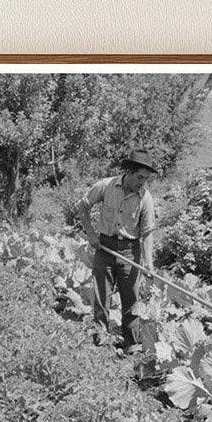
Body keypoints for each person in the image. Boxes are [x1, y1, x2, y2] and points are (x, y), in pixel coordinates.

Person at [78, 148, 158, 351]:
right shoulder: (106, 186)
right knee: (100, 297)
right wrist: (92, 235)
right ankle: (100, 343)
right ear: (129, 172)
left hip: (130, 251)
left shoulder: (145, 198)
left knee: (131, 300)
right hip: (104, 247)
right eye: (140, 177)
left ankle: (132, 346)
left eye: (146, 179)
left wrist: (149, 264)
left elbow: (147, 233)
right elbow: (83, 206)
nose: (143, 182)